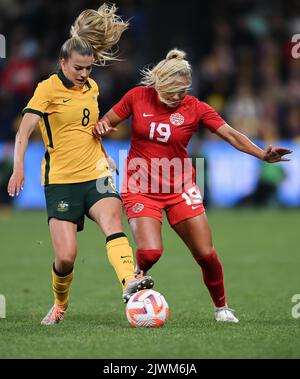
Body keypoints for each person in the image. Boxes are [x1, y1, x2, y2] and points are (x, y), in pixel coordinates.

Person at [93, 49, 292, 323]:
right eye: (174, 91)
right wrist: (102, 132)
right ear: (159, 84)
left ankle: (222, 308)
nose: (179, 97)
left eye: (183, 91)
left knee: (206, 253)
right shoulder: (136, 97)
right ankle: (137, 275)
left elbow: (230, 134)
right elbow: (104, 123)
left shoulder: (195, 107)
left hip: (180, 187)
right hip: (140, 186)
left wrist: (262, 155)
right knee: (151, 252)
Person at [7, 3, 154, 326]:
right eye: (78, 68)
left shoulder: (93, 88)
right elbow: (24, 132)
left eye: (88, 68)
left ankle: (129, 282)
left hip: (96, 173)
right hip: (60, 180)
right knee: (66, 256)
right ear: (63, 63)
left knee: (114, 224)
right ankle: (60, 304)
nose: (84, 74)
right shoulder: (47, 89)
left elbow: (87, 129)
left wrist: (102, 145)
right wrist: (18, 169)